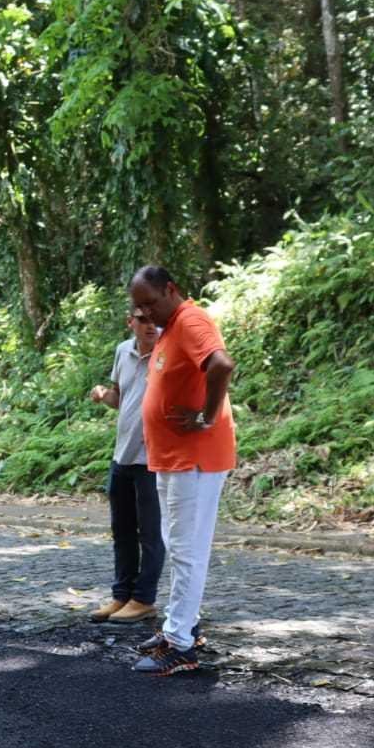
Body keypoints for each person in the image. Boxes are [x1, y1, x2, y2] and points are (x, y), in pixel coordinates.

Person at [127, 265, 237, 676]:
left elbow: (221, 364)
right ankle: (181, 625)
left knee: (187, 551)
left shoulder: (190, 319)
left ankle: (180, 645)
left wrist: (207, 417)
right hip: (174, 458)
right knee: (178, 546)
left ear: (171, 290)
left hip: (195, 458)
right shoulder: (170, 326)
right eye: (138, 308)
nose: (145, 314)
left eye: (150, 304)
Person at [87, 311, 165, 625]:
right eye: (142, 319)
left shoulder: (168, 353)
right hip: (122, 456)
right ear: (129, 321)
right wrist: (105, 395)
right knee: (122, 531)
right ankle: (122, 595)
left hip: (154, 459)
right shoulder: (123, 351)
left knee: (150, 534)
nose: (150, 325)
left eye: (156, 320)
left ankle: (144, 599)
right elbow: (121, 397)